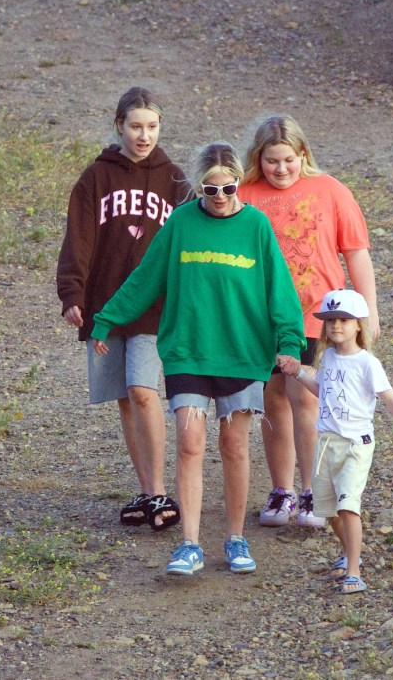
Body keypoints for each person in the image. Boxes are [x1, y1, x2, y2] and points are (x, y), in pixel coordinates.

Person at [91, 142, 304, 576]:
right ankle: (189, 544)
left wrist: (289, 342)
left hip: (242, 355)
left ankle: (235, 537)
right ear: (198, 187)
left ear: (239, 183)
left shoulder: (257, 227)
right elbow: (146, 278)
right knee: (190, 444)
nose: (221, 198)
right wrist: (106, 320)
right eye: (211, 190)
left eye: (228, 188)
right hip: (188, 350)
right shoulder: (181, 224)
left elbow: (280, 292)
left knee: (234, 446)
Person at [238, 114, 380, 529]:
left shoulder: (330, 190)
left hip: (319, 315)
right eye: (271, 161)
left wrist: (365, 312)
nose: (280, 169)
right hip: (261, 318)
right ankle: (281, 491)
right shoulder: (244, 195)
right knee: (271, 398)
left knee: (309, 399)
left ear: (303, 155)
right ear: (257, 159)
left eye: (288, 160)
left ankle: (313, 491)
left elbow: (356, 252)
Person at [56, 87, 187, 531]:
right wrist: (72, 294)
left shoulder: (176, 181)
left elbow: (189, 245)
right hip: (106, 304)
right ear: (119, 126)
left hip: (155, 306)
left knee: (144, 391)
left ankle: (159, 491)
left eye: (152, 126)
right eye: (136, 126)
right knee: (126, 401)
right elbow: (78, 239)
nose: (144, 135)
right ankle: (148, 490)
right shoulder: (96, 178)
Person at [278, 288, 393, 594]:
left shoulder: (367, 364)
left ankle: (353, 570)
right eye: (330, 320)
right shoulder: (328, 359)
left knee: (349, 505)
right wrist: (298, 373)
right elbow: (321, 389)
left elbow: (391, 400)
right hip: (326, 443)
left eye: (344, 320)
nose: (336, 326)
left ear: (358, 325)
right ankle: (351, 552)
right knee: (329, 510)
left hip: (355, 445)